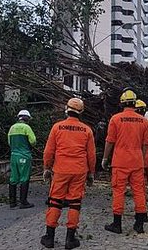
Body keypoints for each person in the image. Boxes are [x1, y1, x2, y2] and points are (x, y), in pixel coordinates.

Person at [40, 98, 96, 249]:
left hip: (60, 170)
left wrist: (47, 168)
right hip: (79, 171)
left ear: (67, 109)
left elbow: (49, 151)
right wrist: (91, 173)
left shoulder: (57, 127)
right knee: (75, 203)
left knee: (55, 202)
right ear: (81, 112)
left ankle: (49, 237)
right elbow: (91, 155)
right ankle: (70, 239)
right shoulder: (87, 130)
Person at [102, 88, 148, 234]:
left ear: (122, 103)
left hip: (120, 162)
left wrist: (104, 158)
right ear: (135, 104)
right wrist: (141, 158)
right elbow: (145, 144)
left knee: (118, 192)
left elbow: (110, 141)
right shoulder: (143, 121)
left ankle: (117, 224)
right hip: (137, 161)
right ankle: (139, 224)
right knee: (139, 191)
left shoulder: (115, 119)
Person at [7, 109, 36, 209]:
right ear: (27, 118)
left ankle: (12, 202)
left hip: (13, 156)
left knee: (13, 178)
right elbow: (33, 141)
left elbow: (9, 142)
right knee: (24, 177)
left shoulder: (12, 128)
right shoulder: (26, 127)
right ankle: (23, 202)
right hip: (24, 155)